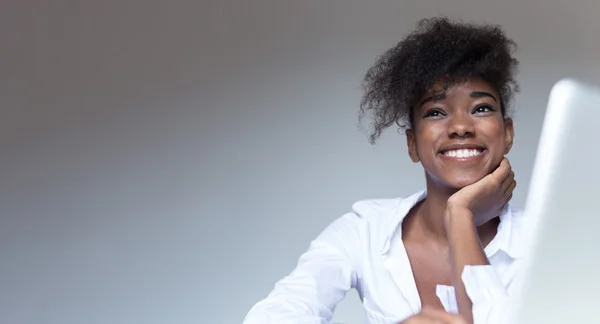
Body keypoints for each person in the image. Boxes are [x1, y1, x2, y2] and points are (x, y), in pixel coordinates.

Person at [243, 17, 524, 324]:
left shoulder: (543, 241)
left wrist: (460, 215)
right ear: (413, 144)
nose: (460, 127)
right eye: (435, 112)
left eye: (481, 108)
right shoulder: (365, 231)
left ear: (507, 133)